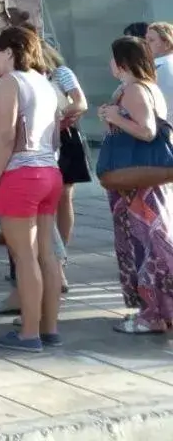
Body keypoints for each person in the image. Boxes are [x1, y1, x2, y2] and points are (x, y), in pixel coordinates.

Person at [0, 26, 64, 352]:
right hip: (49, 170)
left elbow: (5, 135)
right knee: (46, 254)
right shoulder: (44, 82)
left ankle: (28, 333)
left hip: (20, 172)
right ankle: (49, 328)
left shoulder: (10, 82)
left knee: (25, 255)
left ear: (8, 51)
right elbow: (56, 133)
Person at [101, 36, 173, 335]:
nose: (108, 63)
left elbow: (147, 131)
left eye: (112, 58)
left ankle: (153, 314)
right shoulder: (144, 87)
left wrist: (116, 115)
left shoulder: (134, 89)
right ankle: (154, 310)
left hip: (137, 185)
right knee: (151, 241)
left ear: (122, 62)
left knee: (147, 244)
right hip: (143, 182)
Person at [42, 41, 89, 286]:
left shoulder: (61, 72)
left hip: (64, 135)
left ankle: (61, 256)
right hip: (43, 138)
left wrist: (59, 116)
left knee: (64, 196)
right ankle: (53, 257)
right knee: (50, 198)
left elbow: (81, 103)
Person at [145, 22, 173, 103]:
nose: (146, 43)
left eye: (151, 40)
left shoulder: (157, 66)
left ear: (167, 44)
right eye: (146, 39)